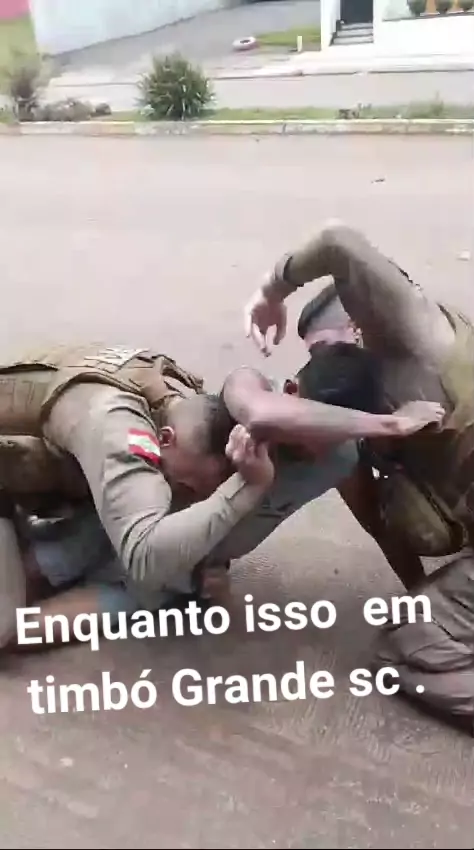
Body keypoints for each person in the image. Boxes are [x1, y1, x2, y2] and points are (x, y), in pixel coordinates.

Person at [0, 342, 442, 654]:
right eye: (316, 427)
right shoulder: (248, 400)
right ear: (292, 392)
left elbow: (377, 522)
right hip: (125, 525)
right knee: (34, 572)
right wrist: (391, 425)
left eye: (332, 436)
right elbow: (259, 412)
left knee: (20, 634)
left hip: (171, 580)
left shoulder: (340, 457)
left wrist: (424, 596)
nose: (315, 447)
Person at [243, 219, 474, 731]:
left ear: (361, 323)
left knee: (400, 652)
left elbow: (338, 242)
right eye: (315, 353)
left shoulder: (423, 345)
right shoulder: (357, 413)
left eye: (332, 344)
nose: (325, 360)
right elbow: (378, 522)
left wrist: (271, 290)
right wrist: (429, 603)